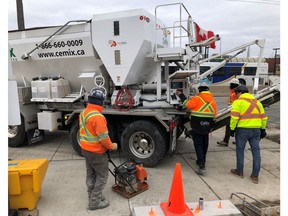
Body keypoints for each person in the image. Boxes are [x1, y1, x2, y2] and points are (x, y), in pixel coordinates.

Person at [79, 88, 118, 210]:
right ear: (101, 102)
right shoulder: (98, 117)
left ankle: (92, 196)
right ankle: (94, 202)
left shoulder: (83, 113)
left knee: (91, 175)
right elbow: (103, 138)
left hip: (85, 150)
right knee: (102, 176)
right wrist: (112, 146)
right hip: (97, 152)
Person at [176, 82, 217, 175]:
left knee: (198, 145)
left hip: (197, 125)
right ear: (208, 90)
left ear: (199, 90)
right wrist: (211, 126)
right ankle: (202, 160)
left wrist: (180, 94)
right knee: (205, 143)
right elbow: (214, 117)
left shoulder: (197, 99)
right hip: (207, 125)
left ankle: (202, 166)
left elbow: (187, 104)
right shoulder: (212, 101)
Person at [229, 85, 268, 184]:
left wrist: (232, 129)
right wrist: (263, 129)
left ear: (240, 93)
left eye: (236, 93)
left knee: (240, 150)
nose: (236, 95)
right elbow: (263, 117)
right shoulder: (257, 102)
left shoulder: (238, 102)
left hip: (243, 130)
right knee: (256, 152)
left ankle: (239, 171)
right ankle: (255, 176)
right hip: (256, 130)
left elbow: (234, 118)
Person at [217, 78, 239, 146]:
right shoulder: (234, 92)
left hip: (233, 113)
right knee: (236, 127)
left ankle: (226, 141)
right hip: (232, 112)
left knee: (229, 126)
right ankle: (237, 140)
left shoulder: (235, 93)